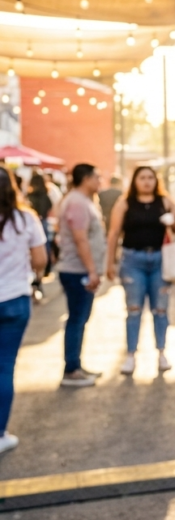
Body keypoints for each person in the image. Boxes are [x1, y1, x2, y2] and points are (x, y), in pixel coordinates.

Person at [104, 166, 175, 375]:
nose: (147, 182)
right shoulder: (125, 203)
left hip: (159, 260)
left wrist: (173, 221)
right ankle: (130, 355)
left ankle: (161, 352)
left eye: (150, 178)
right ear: (134, 181)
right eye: (142, 178)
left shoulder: (165, 202)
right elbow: (113, 234)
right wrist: (109, 263)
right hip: (132, 260)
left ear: (157, 181)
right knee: (134, 309)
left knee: (161, 309)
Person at [0, 167, 48, 454]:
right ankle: (0, 434)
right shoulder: (25, 219)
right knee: (4, 366)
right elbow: (41, 259)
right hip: (16, 299)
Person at [54, 164, 106, 387]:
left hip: (80, 269)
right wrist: (91, 270)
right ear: (85, 179)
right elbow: (80, 238)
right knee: (76, 319)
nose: (99, 181)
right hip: (77, 270)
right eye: (96, 177)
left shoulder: (83, 201)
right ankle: (72, 369)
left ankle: (75, 364)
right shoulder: (76, 202)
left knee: (80, 319)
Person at [26, 173, 53, 297]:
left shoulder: (29, 196)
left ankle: (33, 279)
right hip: (43, 224)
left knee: (30, 253)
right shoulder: (46, 196)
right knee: (42, 251)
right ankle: (39, 279)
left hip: (32, 224)